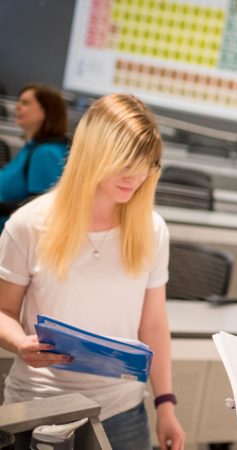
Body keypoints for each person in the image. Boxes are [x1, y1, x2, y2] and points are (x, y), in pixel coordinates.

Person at [0, 94, 185, 450]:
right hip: (40, 405)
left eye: (146, 163)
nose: (137, 175)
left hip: (123, 410)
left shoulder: (152, 228)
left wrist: (165, 404)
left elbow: (154, 325)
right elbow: (4, 311)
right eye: (125, 161)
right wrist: (20, 343)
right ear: (93, 152)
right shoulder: (29, 224)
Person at [0, 84, 70, 230]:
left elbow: (40, 207)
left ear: (45, 111)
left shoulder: (45, 153)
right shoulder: (32, 147)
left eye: (25, 103)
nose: (17, 107)